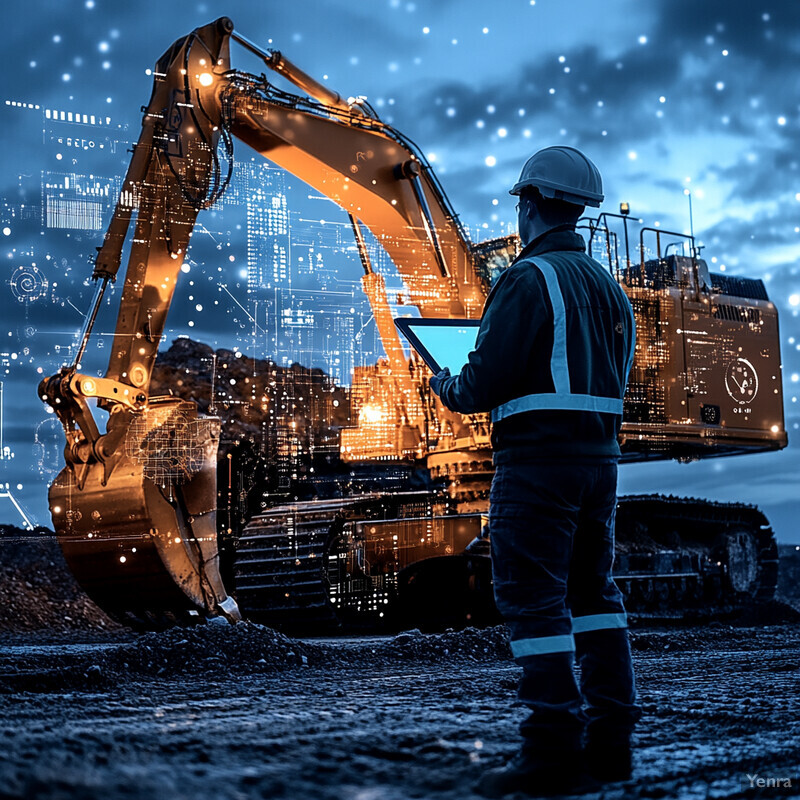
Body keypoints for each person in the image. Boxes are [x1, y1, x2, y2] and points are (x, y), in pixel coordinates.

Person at [429, 145, 641, 798]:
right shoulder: (613, 292)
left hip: (536, 466)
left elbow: (484, 379)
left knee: (533, 601)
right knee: (594, 596)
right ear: (577, 211)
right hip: (598, 466)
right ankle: (611, 741)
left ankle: (551, 750)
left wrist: (445, 382)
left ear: (529, 206)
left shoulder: (527, 280)